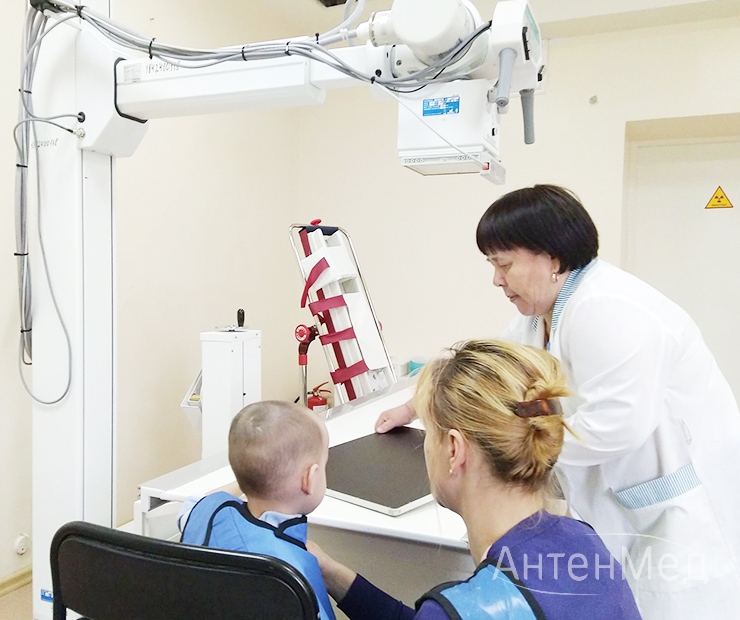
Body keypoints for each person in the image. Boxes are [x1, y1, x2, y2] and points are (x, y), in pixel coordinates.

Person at [375, 185, 740, 618]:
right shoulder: (541, 317)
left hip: (675, 515)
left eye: (504, 264)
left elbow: (618, 427)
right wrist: (413, 405)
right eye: (493, 265)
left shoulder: (609, 310)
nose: (497, 280)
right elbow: (487, 373)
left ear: (552, 258)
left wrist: (511, 446)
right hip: (621, 508)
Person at [311, 339, 642, 619]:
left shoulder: (460, 609)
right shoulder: (584, 541)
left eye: (429, 432)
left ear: (455, 449)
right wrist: (334, 575)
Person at [180, 400, 336, 620]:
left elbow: (194, 503)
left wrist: (250, 475)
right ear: (309, 479)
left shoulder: (206, 511)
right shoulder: (290, 574)